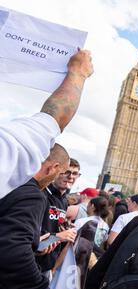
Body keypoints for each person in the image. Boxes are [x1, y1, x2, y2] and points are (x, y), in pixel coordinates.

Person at [0, 50, 93, 199]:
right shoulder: (30, 196)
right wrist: (78, 72)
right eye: (64, 172)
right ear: (53, 168)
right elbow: (55, 116)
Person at [0, 143, 69, 289]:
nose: (57, 178)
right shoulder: (33, 194)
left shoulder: (9, 182)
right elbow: (12, 250)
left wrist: (34, 242)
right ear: (53, 167)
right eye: (61, 172)